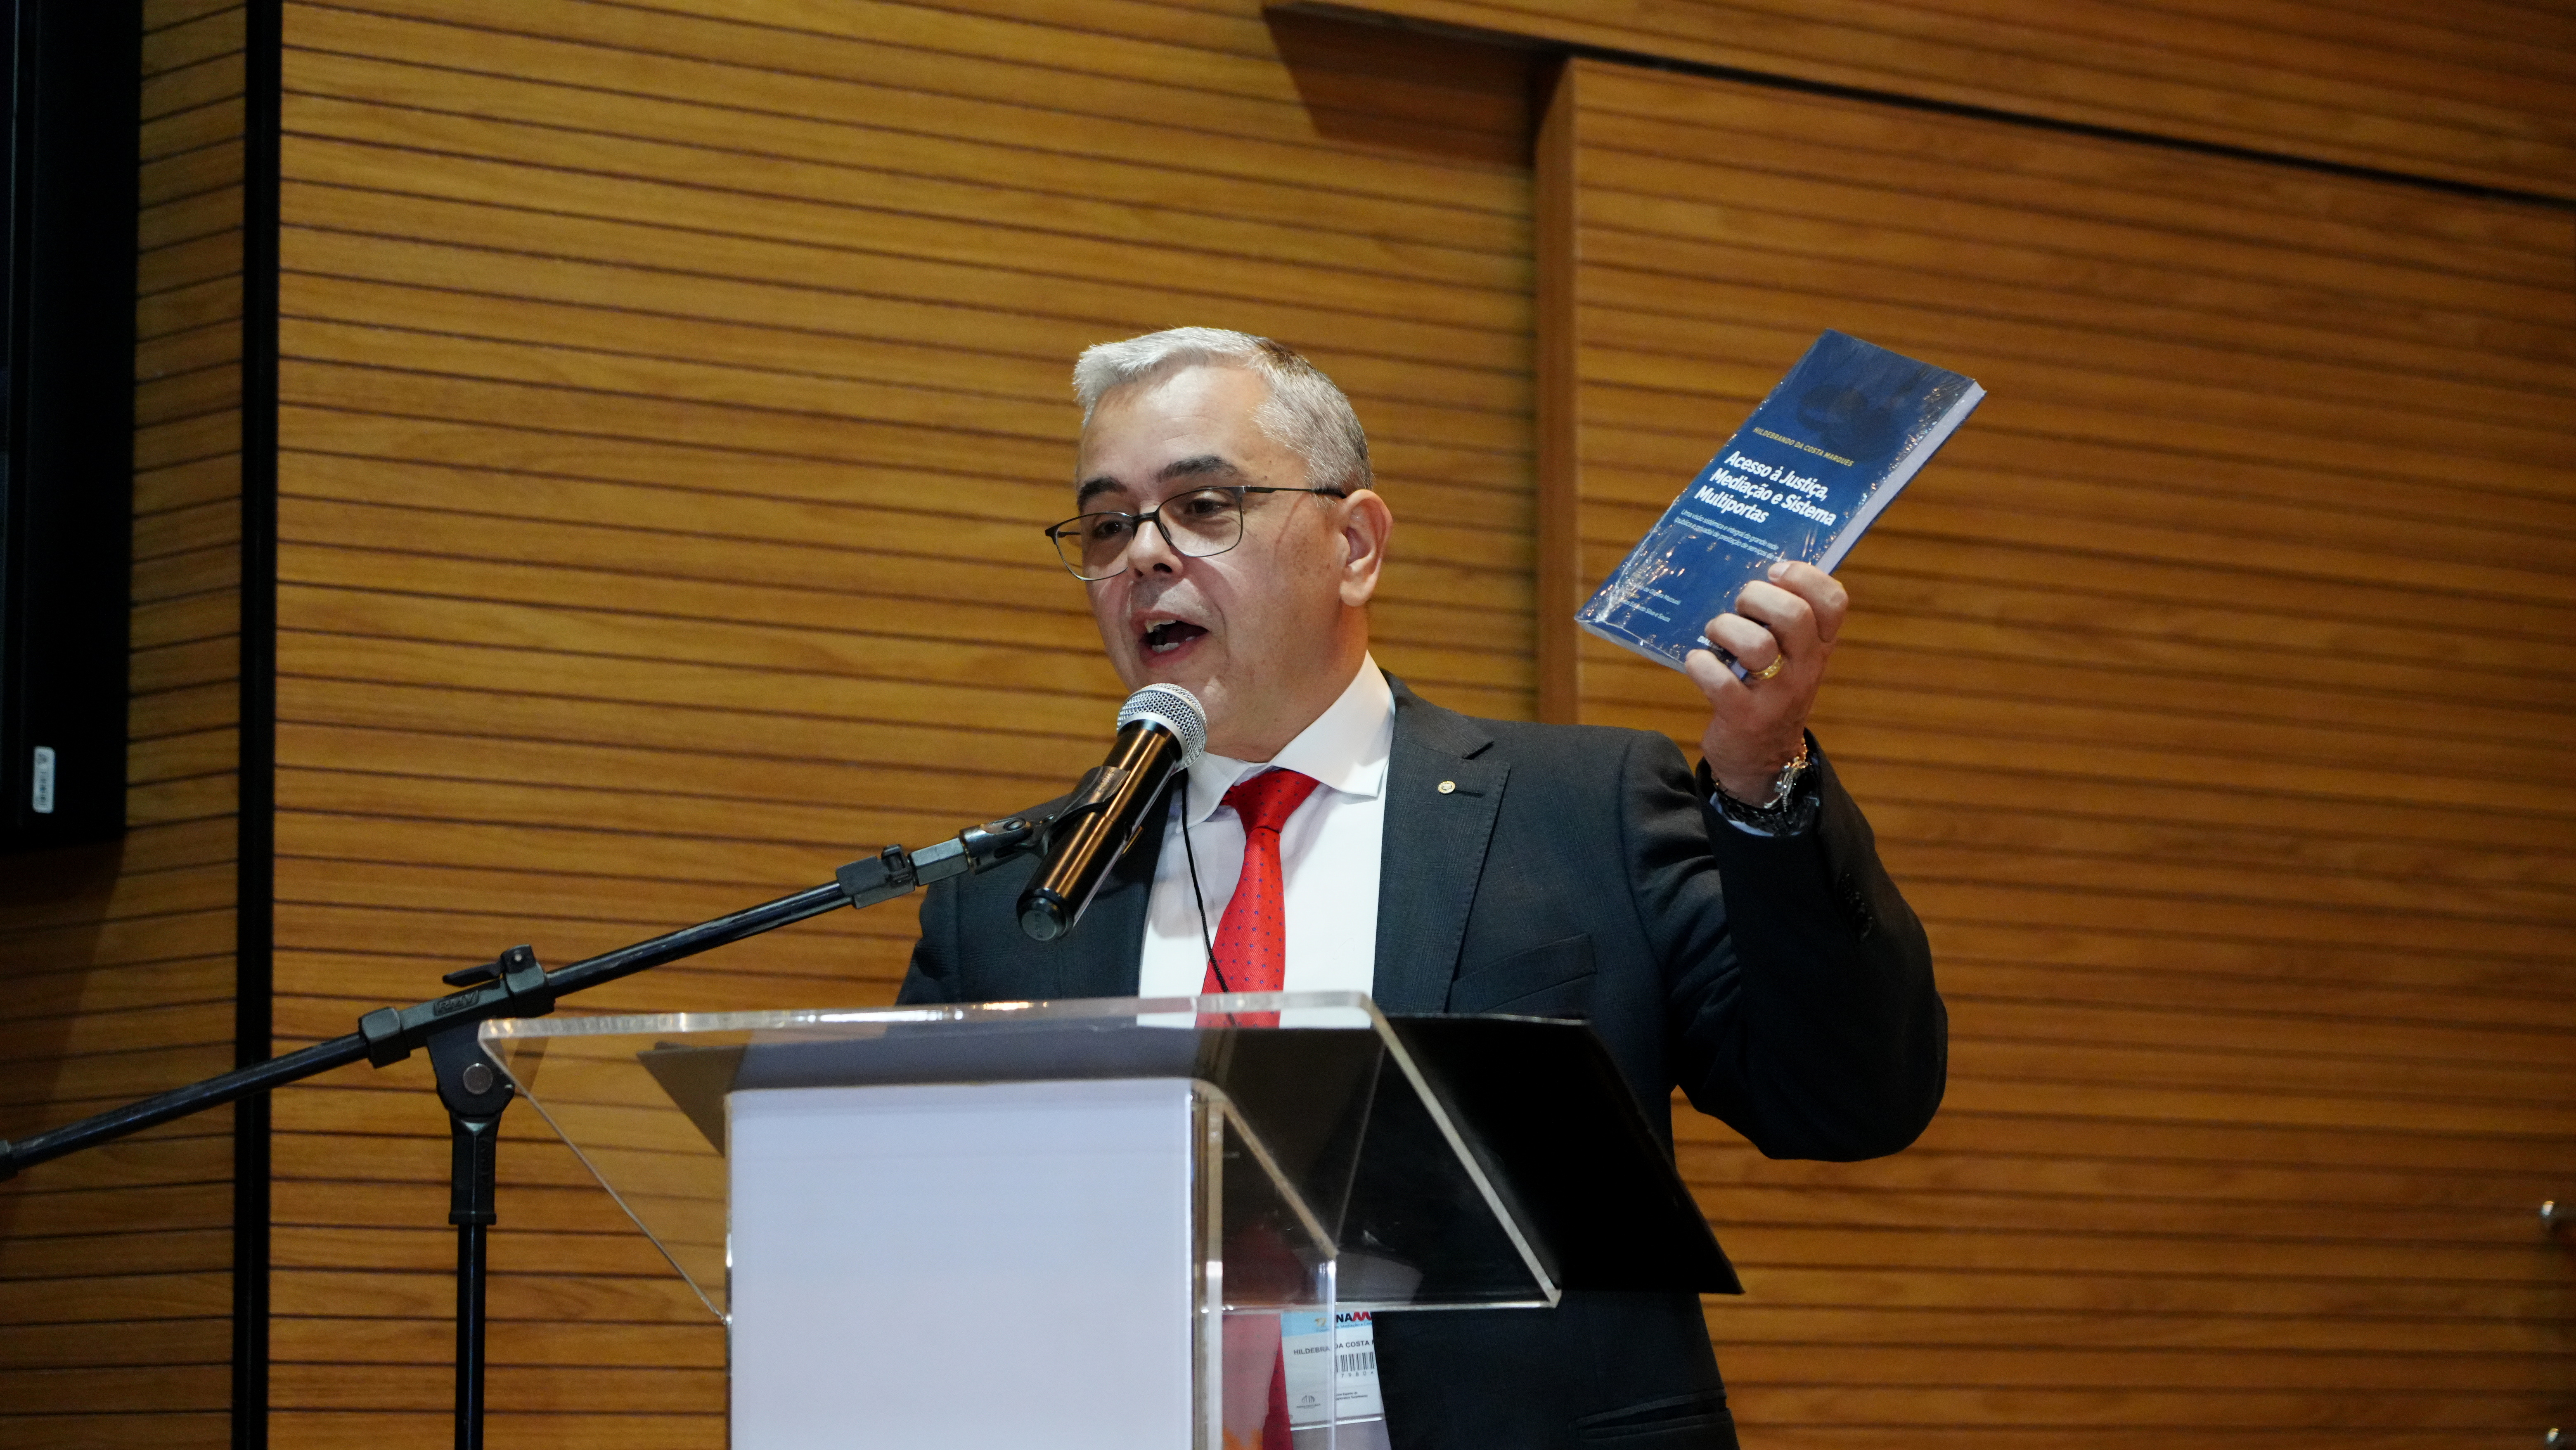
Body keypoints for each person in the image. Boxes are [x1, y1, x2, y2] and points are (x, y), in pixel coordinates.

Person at [898, 328, 1944, 1450]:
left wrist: (1763, 779)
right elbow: (918, 1268)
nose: (1144, 555)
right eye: (1108, 525)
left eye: (1204, 506)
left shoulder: (1580, 809)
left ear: (1355, 544)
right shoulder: (1010, 902)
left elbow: (1849, 1100)